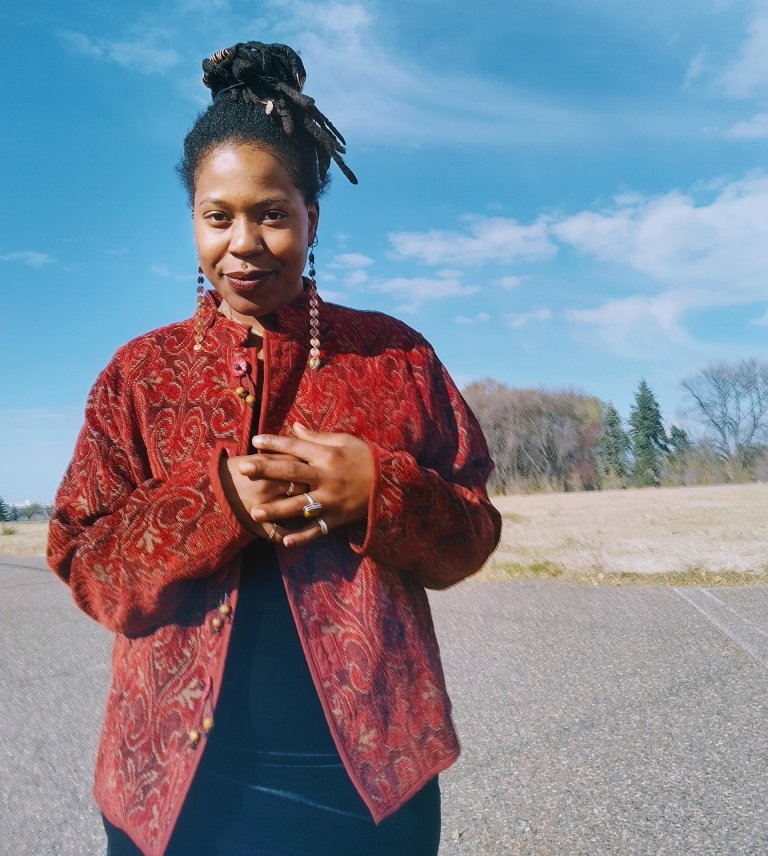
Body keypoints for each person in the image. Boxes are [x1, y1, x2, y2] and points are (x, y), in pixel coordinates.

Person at [47, 41, 501, 856]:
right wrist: (214, 505)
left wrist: (379, 492)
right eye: (218, 217)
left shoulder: (396, 358)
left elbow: (473, 530)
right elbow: (84, 561)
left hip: (368, 784)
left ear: (311, 216)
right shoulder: (137, 376)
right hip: (172, 788)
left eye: (272, 213)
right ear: (193, 219)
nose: (244, 242)